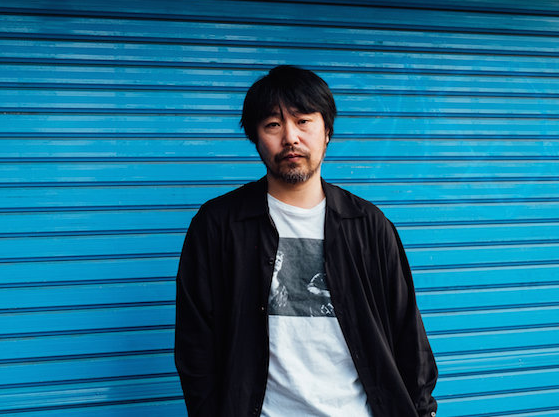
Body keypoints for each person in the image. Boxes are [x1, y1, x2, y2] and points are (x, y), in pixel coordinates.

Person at [174, 65, 438, 417]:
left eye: (303, 121)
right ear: (255, 137)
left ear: (326, 131)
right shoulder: (219, 225)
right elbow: (195, 346)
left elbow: (408, 335)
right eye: (273, 125)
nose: (290, 137)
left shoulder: (368, 225)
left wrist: (423, 411)